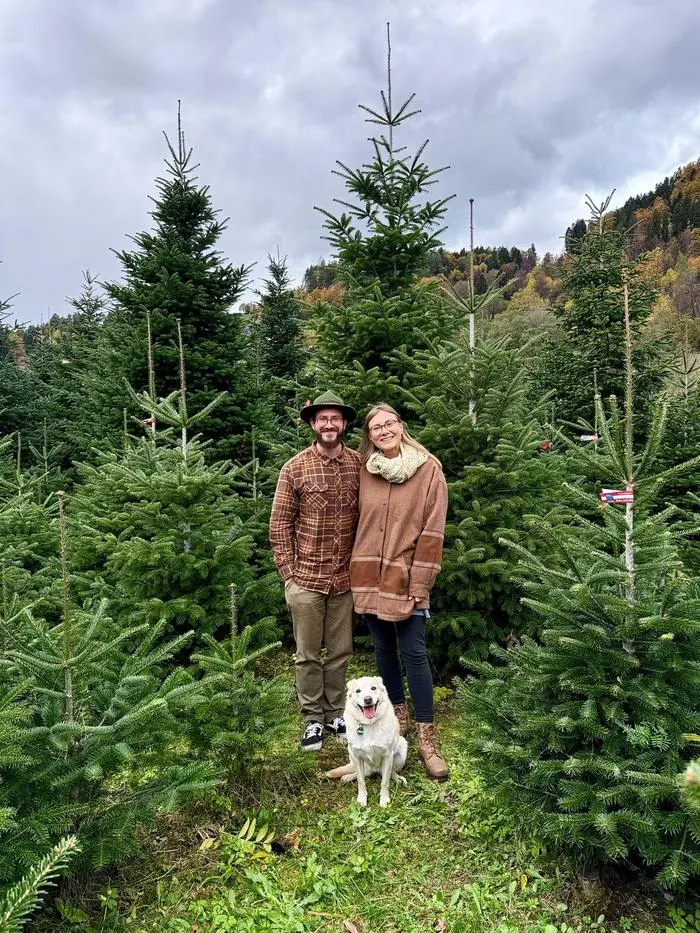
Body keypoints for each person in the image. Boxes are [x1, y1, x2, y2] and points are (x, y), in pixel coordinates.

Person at [350, 403, 449, 780]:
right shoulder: (365, 470)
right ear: (369, 435)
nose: (384, 431)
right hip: (368, 575)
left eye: (389, 423)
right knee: (383, 649)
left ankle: (428, 740)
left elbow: (433, 531)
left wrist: (420, 582)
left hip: (406, 578)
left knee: (414, 653)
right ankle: (398, 718)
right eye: (376, 427)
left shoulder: (428, 469)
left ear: (401, 426)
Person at [270, 391, 361, 751]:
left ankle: (336, 712)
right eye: (322, 419)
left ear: (344, 424)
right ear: (313, 424)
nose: (329, 424)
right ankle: (312, 719)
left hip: (345, 581)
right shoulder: (294, 468)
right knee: (307, 654)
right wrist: (289, 574)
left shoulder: (358, 465)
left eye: (335, 418)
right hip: (305, 580)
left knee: (340, 651)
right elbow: (279, 524)